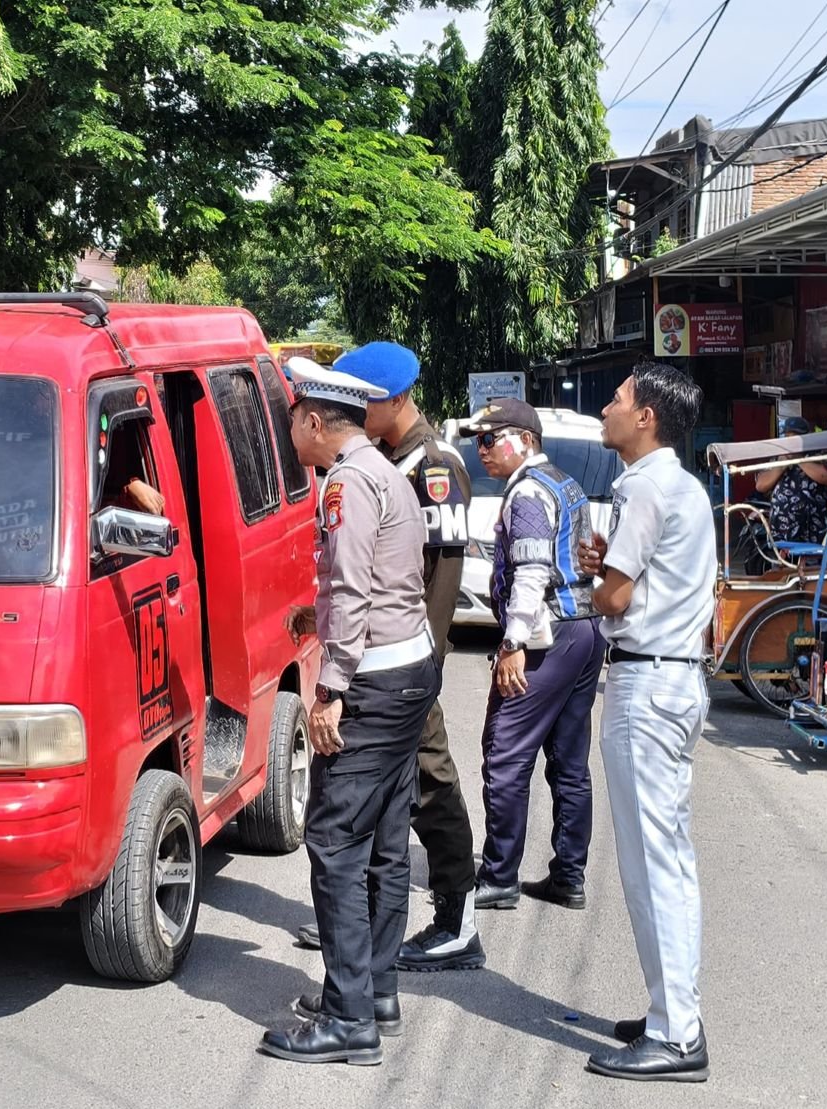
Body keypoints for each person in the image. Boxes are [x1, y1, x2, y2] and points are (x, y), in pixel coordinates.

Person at [259, 363, 439, 1067]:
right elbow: (385, 580)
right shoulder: (386, 470)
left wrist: (329, 689)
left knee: (335, 842)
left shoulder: (346, 482)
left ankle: (348, 1017)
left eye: (292, 420)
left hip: (373, 682)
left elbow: (353, 583)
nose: (291, 432)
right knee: (385, 839)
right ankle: (376, 993)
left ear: (313, 422)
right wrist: (321, 616)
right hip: (409, 669)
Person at [288, 342, 484, 970]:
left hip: (403, 658)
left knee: (431, 783)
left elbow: (437, 579)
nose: (352, 411)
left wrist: (423, 664)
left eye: (364, 401)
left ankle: (456, 916)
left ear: (394, 400)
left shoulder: (433, 465)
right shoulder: (386, 461)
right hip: (387, 655)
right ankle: (361, 925)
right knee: (381, 802)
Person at [578, 362, 715, 1083]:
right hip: (674, 679)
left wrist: (595, 584)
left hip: (648, 683)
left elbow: (615, 599)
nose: (607, 408)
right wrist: (610, 572)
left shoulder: (644, 486)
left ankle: (676, 1032)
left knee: (651, 864)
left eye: (617, 399)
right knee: (668, 859)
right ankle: (675, 1011)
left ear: (647, 418)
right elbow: (640, 579)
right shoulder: (682, 486)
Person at [456, 398, 605, 913]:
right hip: (584, 630)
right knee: (569, 761)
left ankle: (499, 877)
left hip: (547, 636)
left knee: (505, 753)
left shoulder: (526, 493)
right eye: (478, 441)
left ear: (524, 440)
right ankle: (569, 875)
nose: (482, 451)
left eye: (489, 440)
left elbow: (532, 571)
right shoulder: (565, 483)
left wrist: (512, 643)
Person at [754, 416, 827, 545]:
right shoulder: (779, 458)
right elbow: (761, 485)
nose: (791, 442)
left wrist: (799, 459)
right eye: (788, 437)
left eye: (795, 437)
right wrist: (781, 466)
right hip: (782, 531)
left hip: (813, 531)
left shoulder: (819, 454)